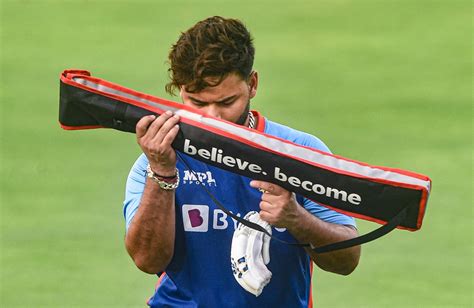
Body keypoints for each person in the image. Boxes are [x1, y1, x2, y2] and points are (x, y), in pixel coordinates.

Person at [123, 16, 361, 307]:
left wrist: (296, 219)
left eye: (226, 102)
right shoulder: (157, 159)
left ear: (253, 84)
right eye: (197, 102)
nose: (212, 118)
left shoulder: (300, 152)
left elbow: (347, 260)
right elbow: (147, 260)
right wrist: (161, 173)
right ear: (180, 91)